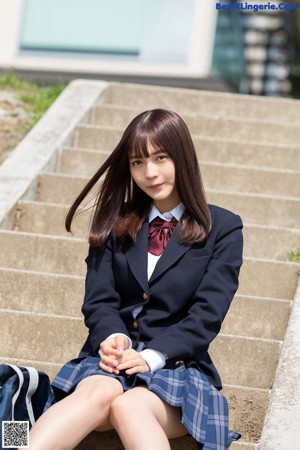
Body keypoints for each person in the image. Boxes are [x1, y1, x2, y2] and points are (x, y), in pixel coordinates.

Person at [26, 109, 243, 450]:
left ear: (183, 157)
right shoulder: (116, 220)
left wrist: (152, 356)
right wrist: (112, 336)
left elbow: (206, 317)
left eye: (160, 157)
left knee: (129, 406)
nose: (150, 172)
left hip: (177, 368)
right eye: (138, 162)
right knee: (98, 391)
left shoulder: (224, 228)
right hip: (110, 364)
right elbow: (99, 300)